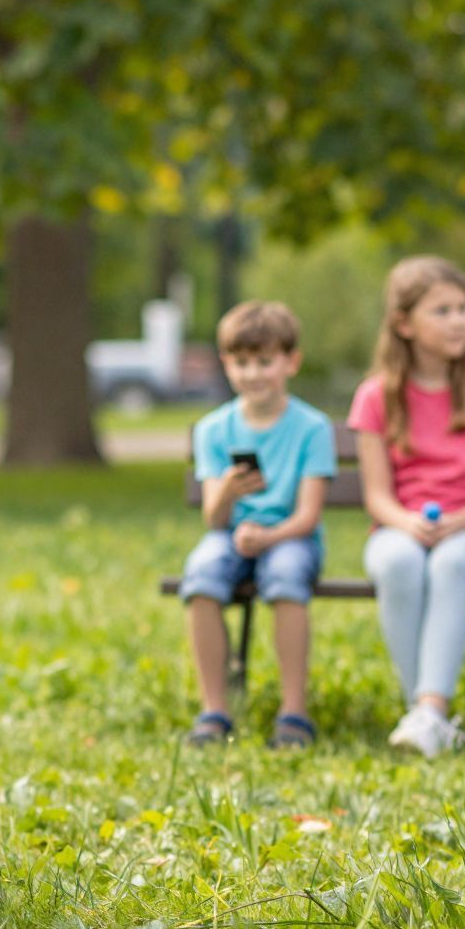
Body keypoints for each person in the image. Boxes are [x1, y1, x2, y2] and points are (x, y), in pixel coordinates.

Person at [348, 257, 465, 758]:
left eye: (463, 309)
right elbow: (377, 496)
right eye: (442, 310)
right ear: (404, 324)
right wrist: (406, 523)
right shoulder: (376, 396)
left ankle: (428, 714)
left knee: (451, 563)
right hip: (399, 529)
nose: (459, 321)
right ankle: (425, 715)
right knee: (398, 561)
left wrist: (455, 523)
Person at [178, 301, 336, 749]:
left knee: (286, 575)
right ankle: (214, 710)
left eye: (265, 361)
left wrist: (267, 536)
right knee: (202, 573)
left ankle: (293, 712)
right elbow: (214, 518)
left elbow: (308, 516)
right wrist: (227, 491)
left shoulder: (311, 428)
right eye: (242, 363)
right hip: (233, 536)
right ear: (227, 365)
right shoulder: (213, 430)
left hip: (290, 537)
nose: (253, 374)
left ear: (291, 362)